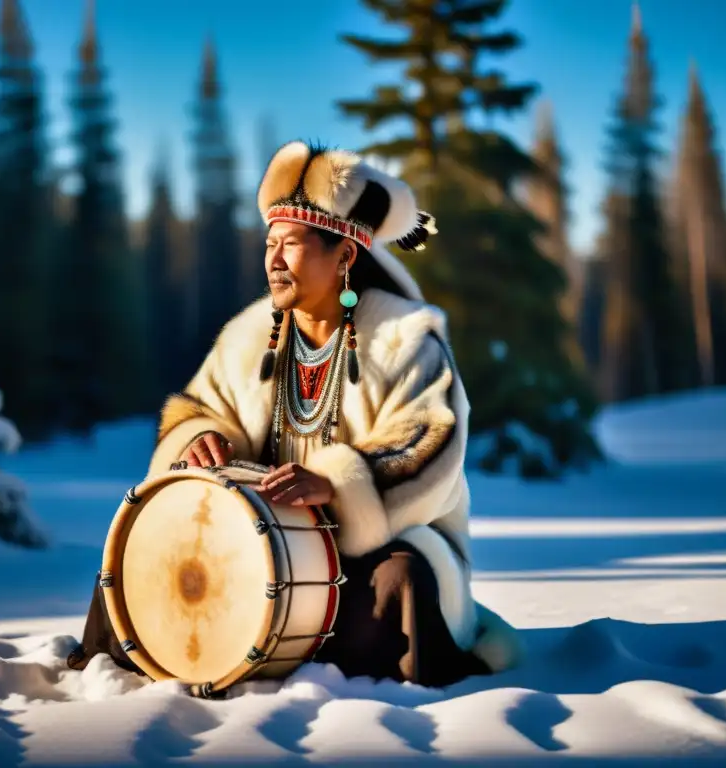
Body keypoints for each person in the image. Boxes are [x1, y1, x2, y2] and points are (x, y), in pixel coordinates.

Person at [67, 140, 523, 688]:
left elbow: (429, 442)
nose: (273, 260)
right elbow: (198, 407)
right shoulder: (247, 337)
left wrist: (335, 483)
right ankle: (110, 677)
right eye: (269, 244)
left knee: (401, 580)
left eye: (291, 244)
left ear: (345, 256)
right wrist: (201, 437)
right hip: (267, 541)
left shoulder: (407, 341)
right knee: (135, 559)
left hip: (372, 551)